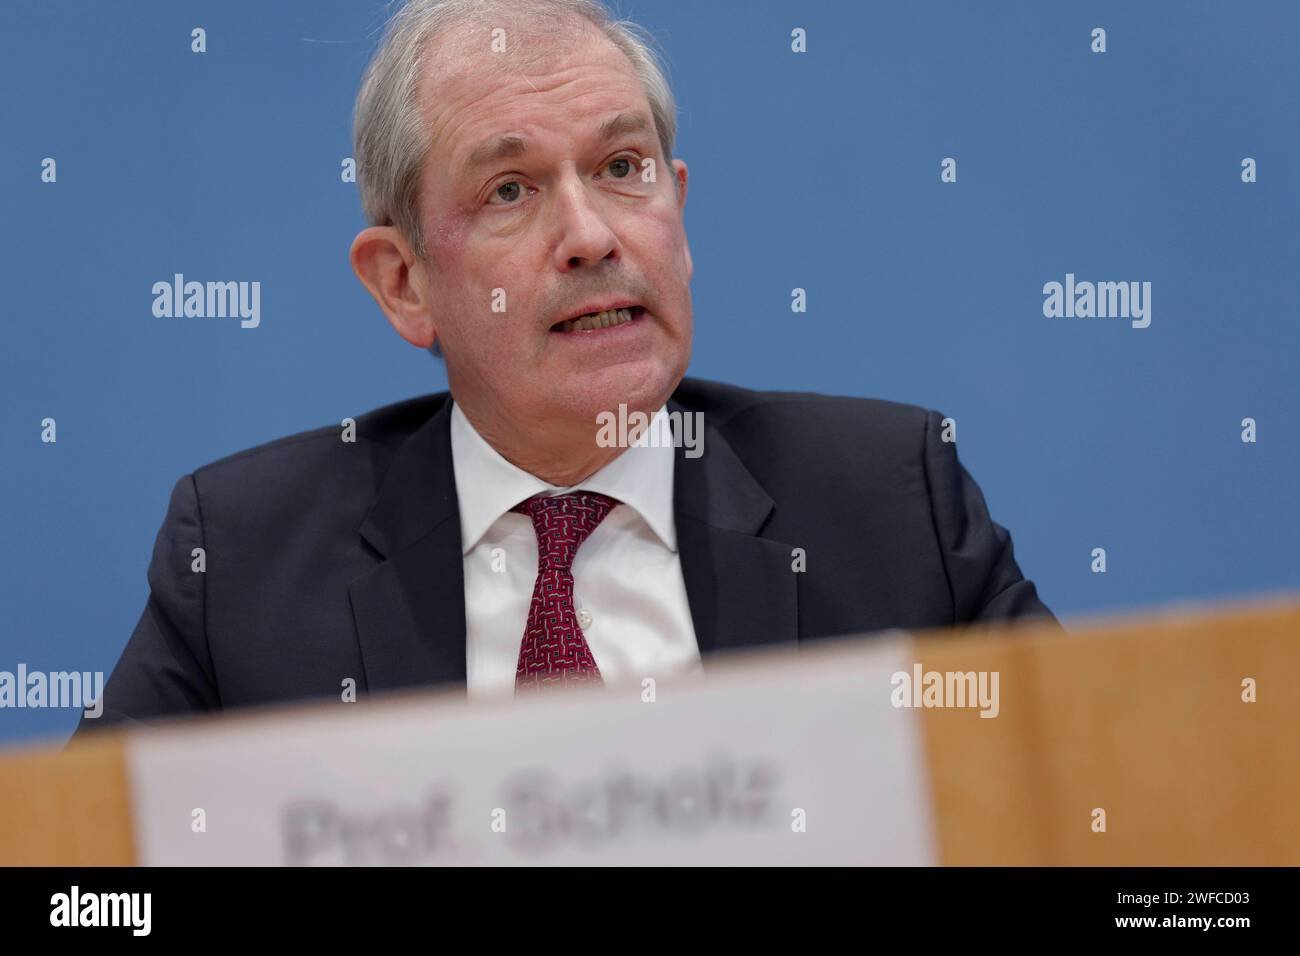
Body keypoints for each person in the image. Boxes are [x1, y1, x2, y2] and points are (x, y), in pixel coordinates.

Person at [73, 0, 1056, 737]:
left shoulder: (886, 504)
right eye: (511, 190)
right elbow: (78, 881)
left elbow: (1102, 815)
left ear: (676, 208)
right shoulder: (244, 564)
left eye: (622, 168)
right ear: (403, 281)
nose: (590, 235)